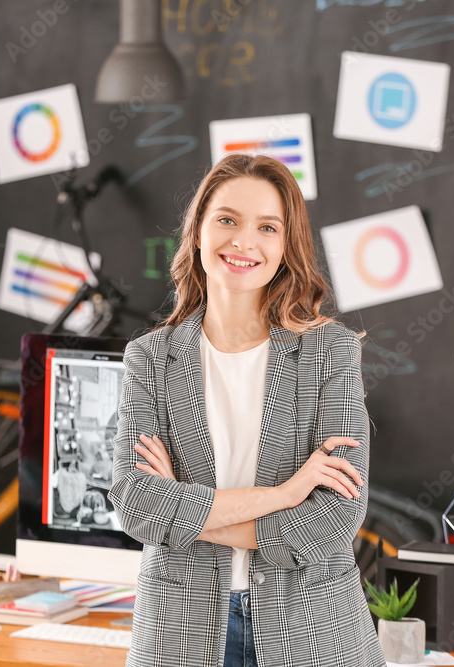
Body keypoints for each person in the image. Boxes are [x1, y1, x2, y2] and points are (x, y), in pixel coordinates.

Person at [109, 153, 386, 667]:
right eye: (227, 220)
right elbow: (137, 505)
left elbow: (333, 518)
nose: (244, 242)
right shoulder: (149, 359)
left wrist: (185, 512)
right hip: (180, 633)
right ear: (197, 232)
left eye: (267, 227)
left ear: (286, 247)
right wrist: (283, 495)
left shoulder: (331, 353)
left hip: (313, 633)